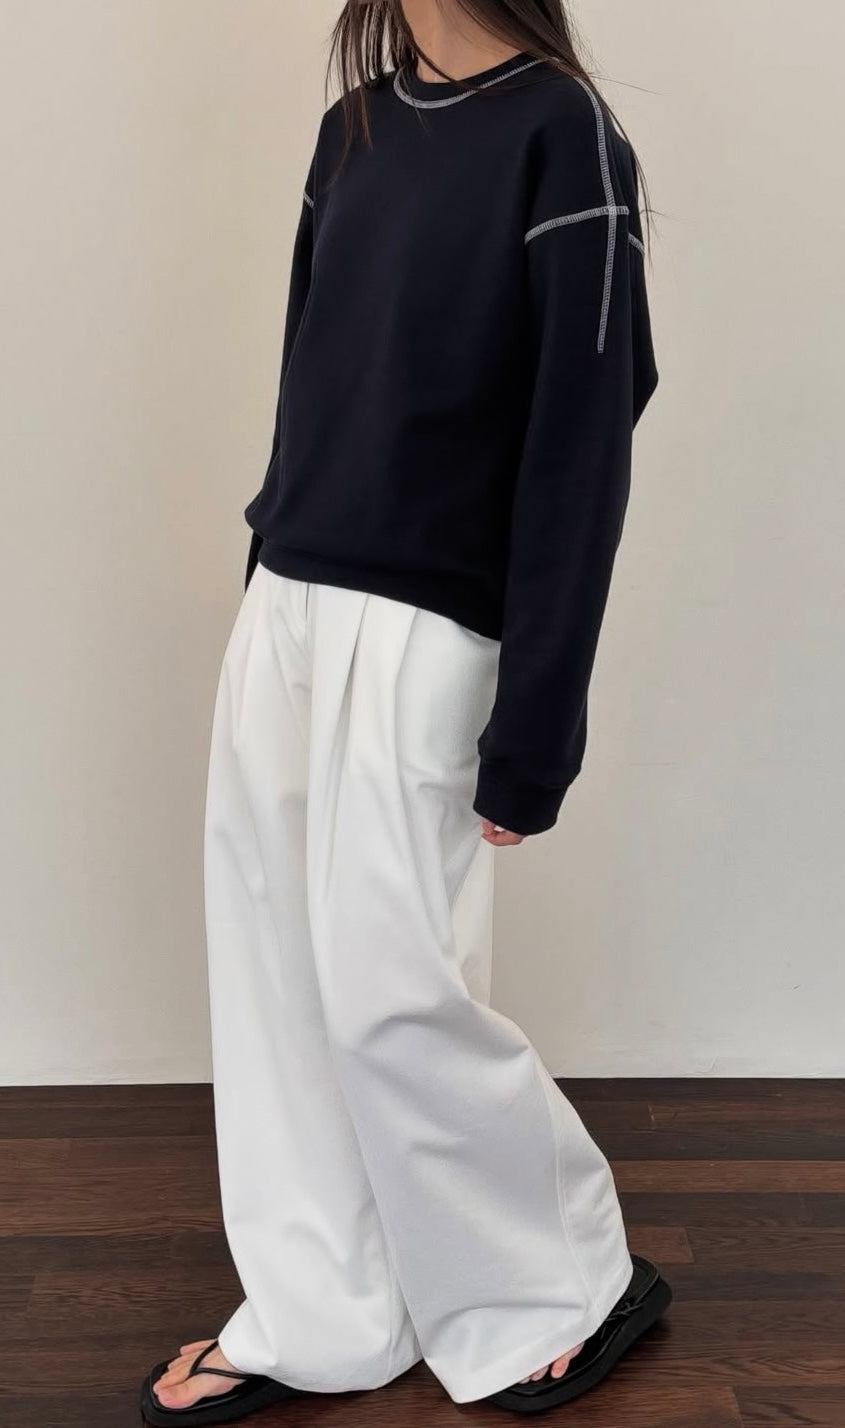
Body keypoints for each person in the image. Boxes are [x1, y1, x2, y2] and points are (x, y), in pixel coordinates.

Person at [140, 1, 670, 1421]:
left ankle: (566, 1282)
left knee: (389, 992)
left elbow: (583, 447)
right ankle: (324, 1312)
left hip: (429, 623)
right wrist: (271, 580)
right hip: (291, 601)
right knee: (276, 979)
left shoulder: (566, 138)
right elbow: (311, 371)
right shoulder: (356, 128)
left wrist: (538, 722)